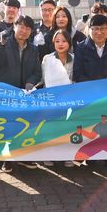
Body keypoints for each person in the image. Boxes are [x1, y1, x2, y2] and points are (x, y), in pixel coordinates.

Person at [0, 15, 42, 172]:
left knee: (24, 125)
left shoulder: (33, 49)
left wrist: (31, 82)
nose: (24, 30)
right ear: (14, 27)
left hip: (25, 93)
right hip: (7, 92)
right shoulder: (4, 43)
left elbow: (36, 71)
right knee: (8, 126)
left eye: (28, 28)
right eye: (21, 26)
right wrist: (1, 46)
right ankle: (8, 159)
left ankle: (24, 157)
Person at [40, 29, 75, 168]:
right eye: (57, 41)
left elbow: (75, 78)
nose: (60, 44)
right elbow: (43, 78)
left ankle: (68, 155)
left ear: (69, 43)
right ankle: (49, 155)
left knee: (67, 127)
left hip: (69, 99)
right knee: (51, 127)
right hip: (51, 99)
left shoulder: (74, 58)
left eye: (64, 41)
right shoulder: (47, 59)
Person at [73, 15, 107, 82]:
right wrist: (92, 85)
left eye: (102, 28)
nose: (99, 33)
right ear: (89, 29)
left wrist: (105, 82)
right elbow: (77, 72)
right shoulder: (81, 48)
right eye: (96, 28)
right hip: (88, 88)